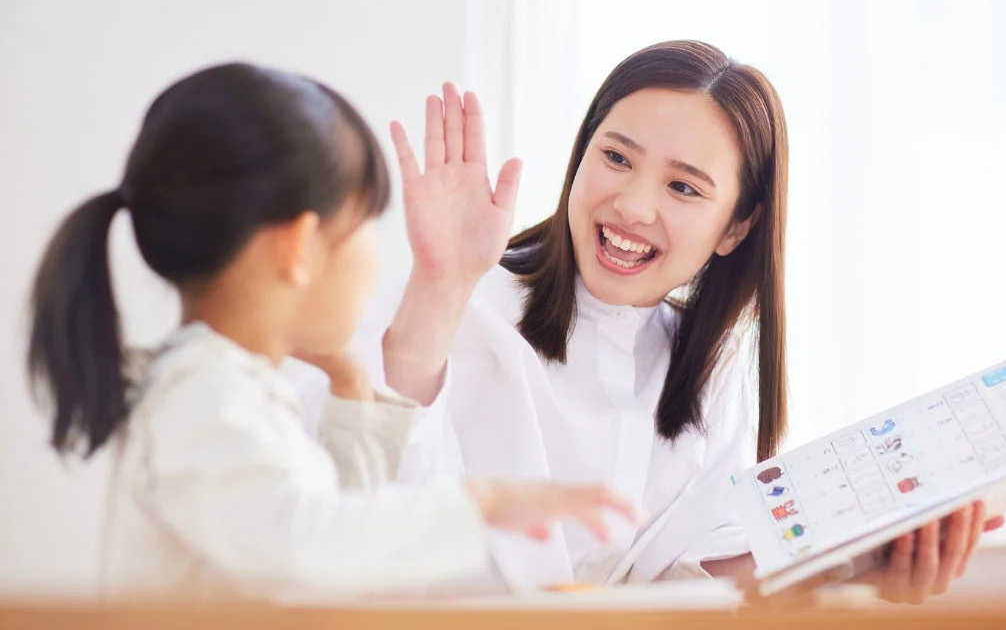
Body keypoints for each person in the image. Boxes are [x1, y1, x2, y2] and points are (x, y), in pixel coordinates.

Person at [322, 40, 998, 602]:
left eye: (683, 187)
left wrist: (869, 560)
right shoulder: (467, 300)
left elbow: (703, 569)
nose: (633, 206)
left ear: (736, 226)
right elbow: (346, 497)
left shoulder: (711, 369)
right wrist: (439, 286)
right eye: (615, 158)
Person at [25, 63, 635, 602]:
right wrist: (481, 505)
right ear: (298, 249)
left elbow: (339, 531)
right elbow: (305, 549)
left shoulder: (234, 389)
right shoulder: (200, 398)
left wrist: (350, 387)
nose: (374, 255)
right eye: (364, 228)